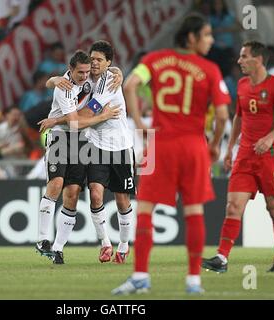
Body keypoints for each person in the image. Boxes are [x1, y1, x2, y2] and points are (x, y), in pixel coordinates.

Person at [111, 13, 231, 295]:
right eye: (207, 35)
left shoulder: (153, 59)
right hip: (193, 146)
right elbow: (223, 116)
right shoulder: (210, 69)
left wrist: (140, 125)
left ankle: (140, 277)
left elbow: (129, 85)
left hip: (161, 145)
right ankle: (193, 281)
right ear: (191, 38)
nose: (211, 40)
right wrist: (214, 144)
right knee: (193, 211)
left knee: (144, 210)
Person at [202, 41, 274, 274]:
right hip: (245, 155)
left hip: (270, 157)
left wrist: (270, 137)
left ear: (258, 60)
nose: (239, 61)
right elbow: (238, 118)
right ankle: (221, 259)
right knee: (233, 206)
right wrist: (230, 147)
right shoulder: (242, 85)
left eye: (244, 57)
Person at [41, 41, 135, 264]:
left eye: (99, 60)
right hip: (95, 146)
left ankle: (123, 245)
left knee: (122, 200)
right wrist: (54, 80)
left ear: (108, 63)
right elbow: (59, 83)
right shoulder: (86, 78)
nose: (93, 63)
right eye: (92, 59)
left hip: (120, 146)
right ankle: (105, 243)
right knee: (94, 194)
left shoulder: (110, 81)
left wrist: (56, 119)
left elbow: (82, 115)